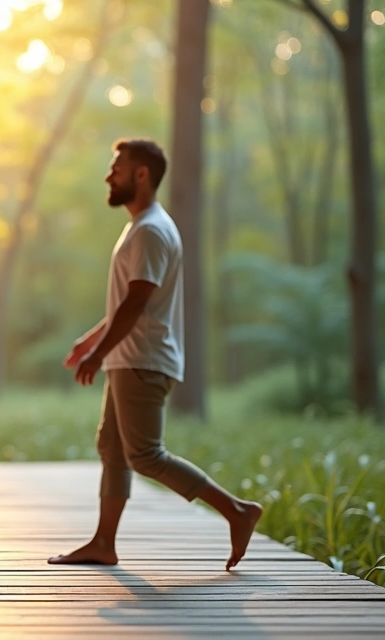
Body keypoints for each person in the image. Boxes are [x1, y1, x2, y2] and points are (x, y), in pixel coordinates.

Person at [48, 138, 263, 571]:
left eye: (117, 167)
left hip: (142, 360)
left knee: (146, 455)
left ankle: (237, 511)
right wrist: (92, 341)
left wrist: (98, 352)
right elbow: (127, 300)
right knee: (112, 447)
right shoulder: (142, 226)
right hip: (130, 358)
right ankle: (103, 543)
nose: (109, 175)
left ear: (141, 174)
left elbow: (137, 302)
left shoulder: (150, 230)